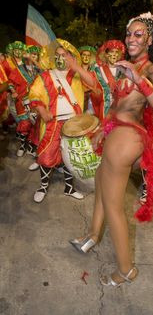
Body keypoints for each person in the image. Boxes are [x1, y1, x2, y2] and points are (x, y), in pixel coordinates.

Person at [68, 12, 153, 287]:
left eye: (138, 34)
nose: (131, 39)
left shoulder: (150, 70)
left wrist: (139, 79)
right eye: (129, 34)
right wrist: (102, 129)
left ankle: (126, 269)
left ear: (149, 40)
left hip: (127, 140)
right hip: (115, 133)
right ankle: (92, 236)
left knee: (114, 206)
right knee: (101, 183)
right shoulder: (125, 66)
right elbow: (116, 104)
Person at [29, 39, 98, 203]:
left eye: (64, 55)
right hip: (52, 123)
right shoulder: (45, 76)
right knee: (46, 156)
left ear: (70, 57)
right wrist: (42, 110)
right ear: (53, 57)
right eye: (58, 55)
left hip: (73, 124)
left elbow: (93, 83)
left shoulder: (76, 75)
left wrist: (76, 67)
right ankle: (43, 186)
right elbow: (34, 95)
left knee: (70, 157)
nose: (61, 58)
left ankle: (69, 188)